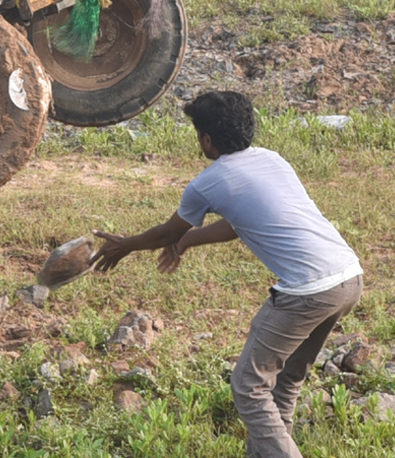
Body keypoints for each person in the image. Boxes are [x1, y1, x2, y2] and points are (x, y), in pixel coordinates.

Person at [94, 91, 362, 458]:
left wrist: (126, 244)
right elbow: (237, 225)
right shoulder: (272, 159)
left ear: (206, 139)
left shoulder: (209, 181)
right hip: (348, 276)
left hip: (307, 291)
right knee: (283, 382)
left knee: (248, 386)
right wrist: (187, 242)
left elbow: (165, 234)